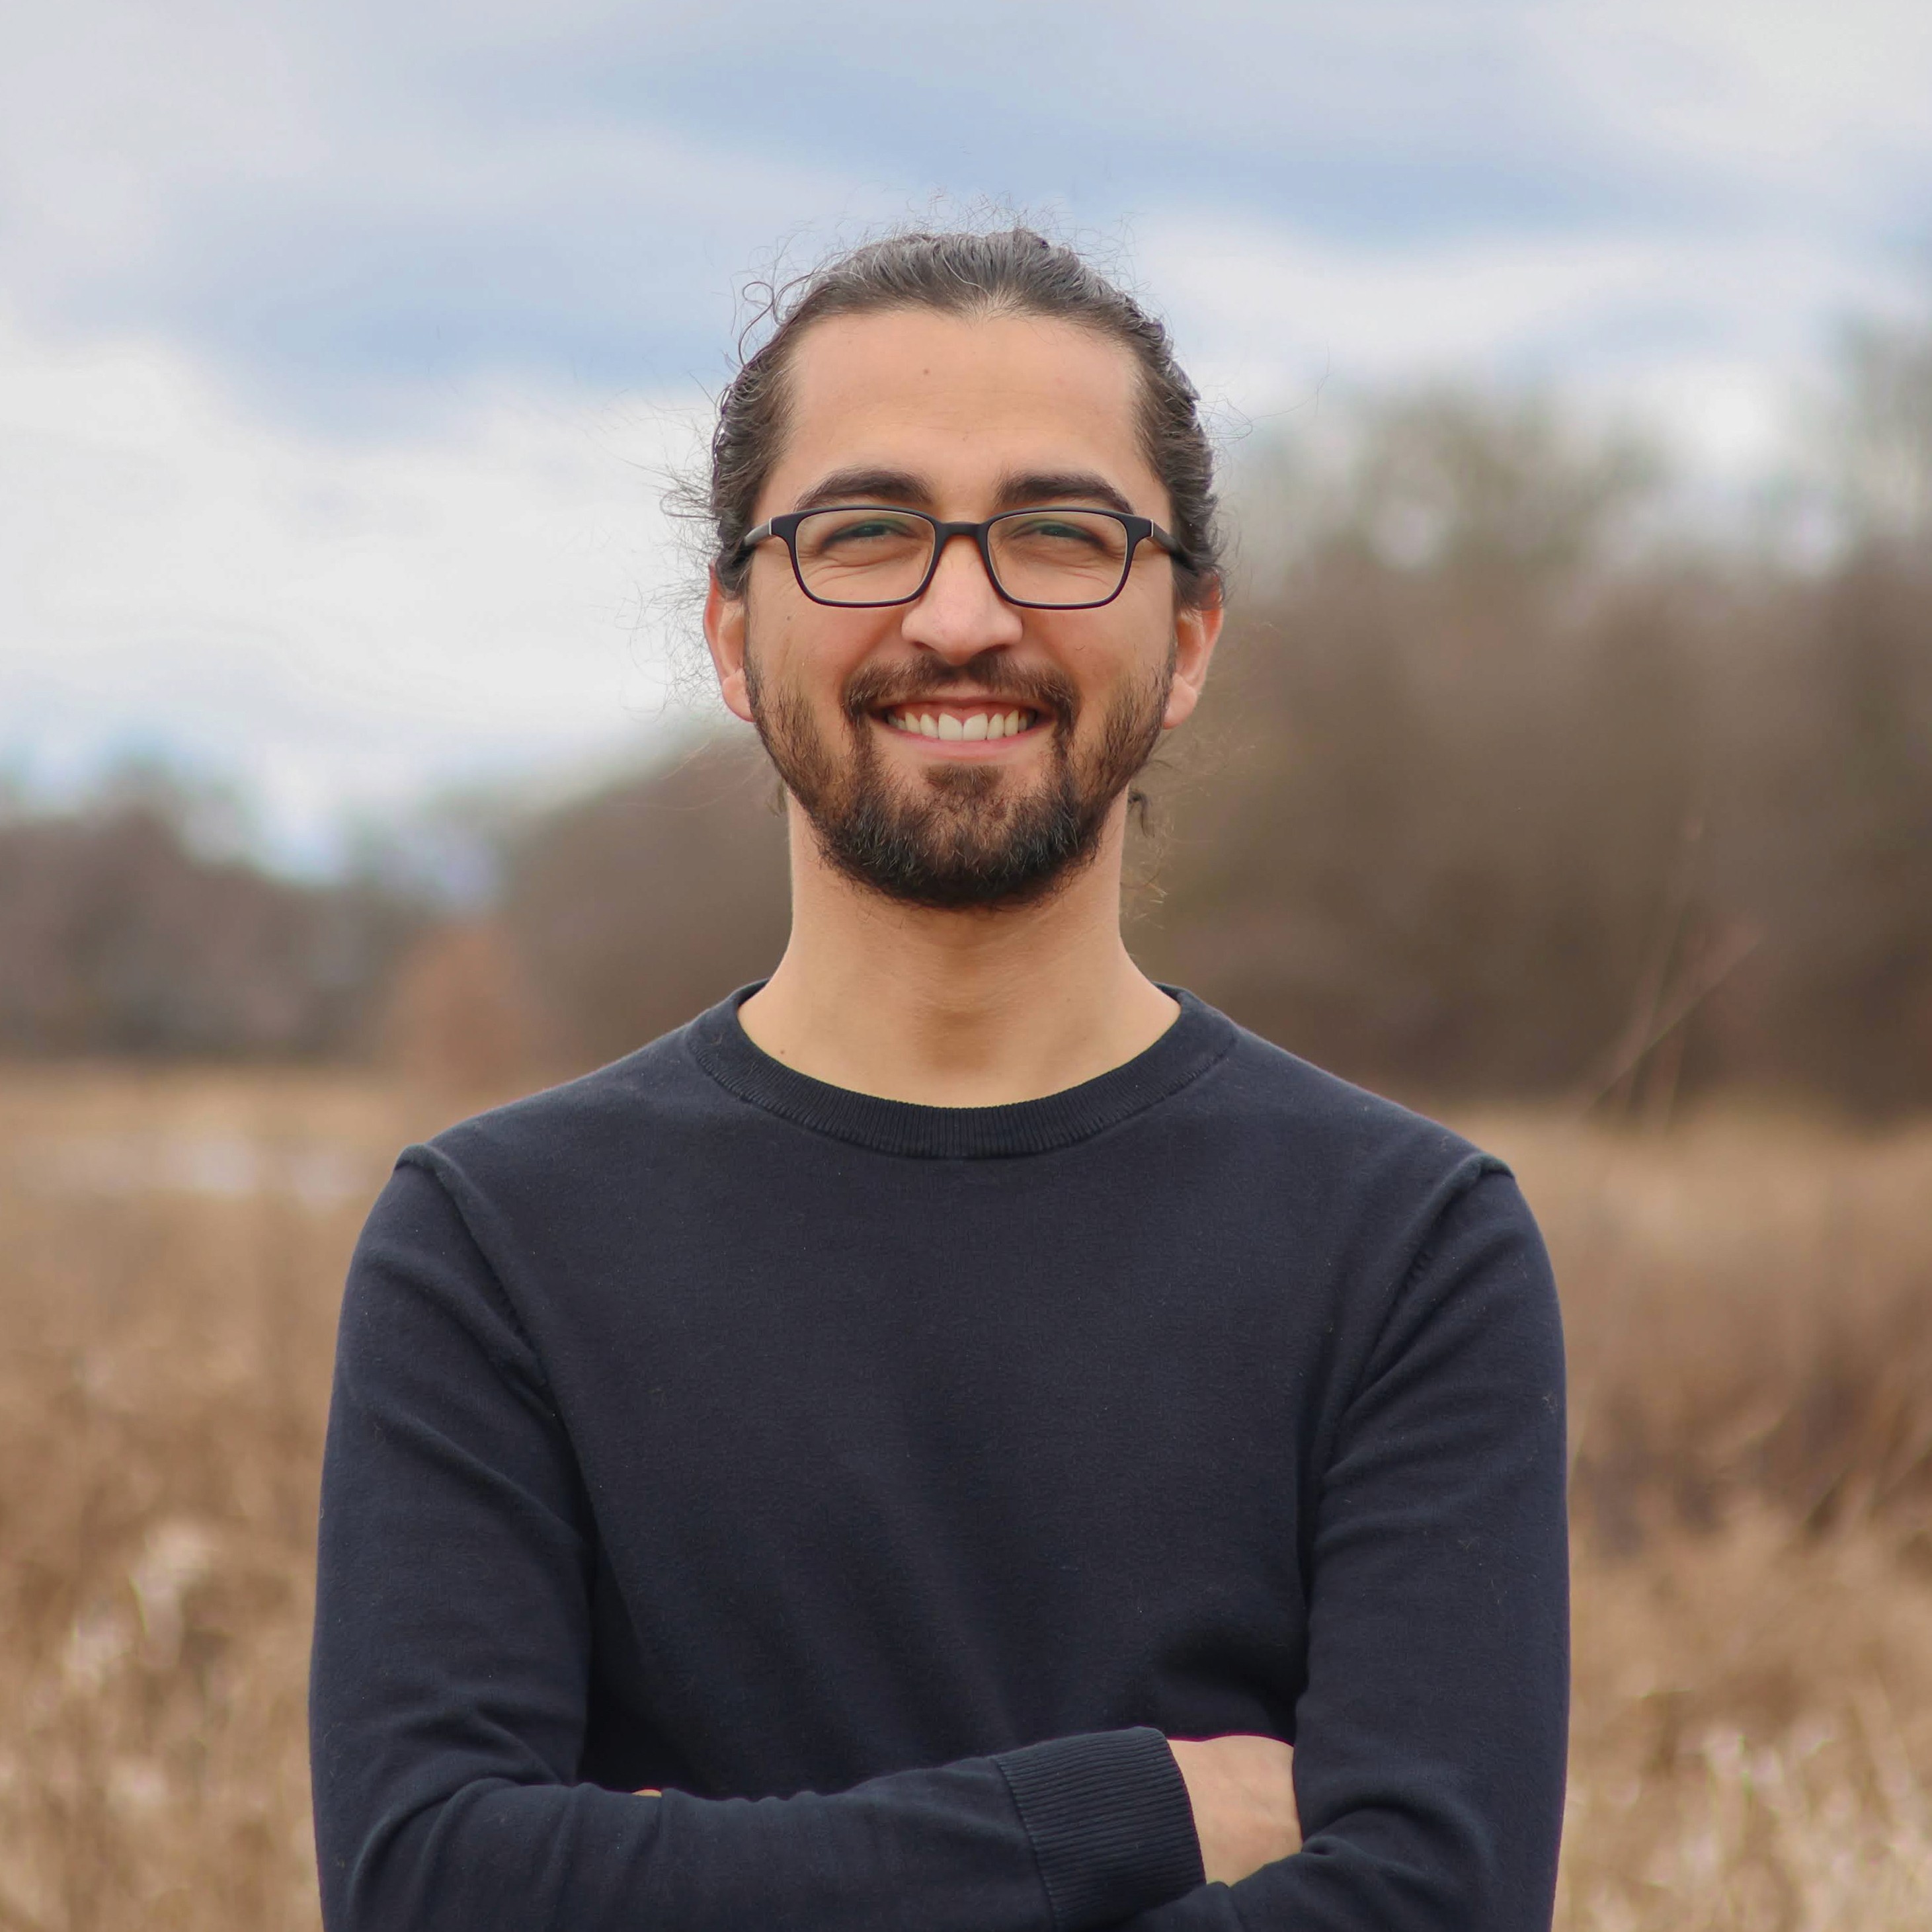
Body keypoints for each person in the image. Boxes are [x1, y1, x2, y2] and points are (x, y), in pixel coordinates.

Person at [309, 227, 1568, 1932]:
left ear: (1187, 636)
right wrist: (1134, 1811)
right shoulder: (493, 1249)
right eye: (866, 533)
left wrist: (706, 1877)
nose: (961, 613)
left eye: (1059, 533)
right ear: (735, 635)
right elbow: (437, 1891)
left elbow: (1438, 1905)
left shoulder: (1412, 1248)